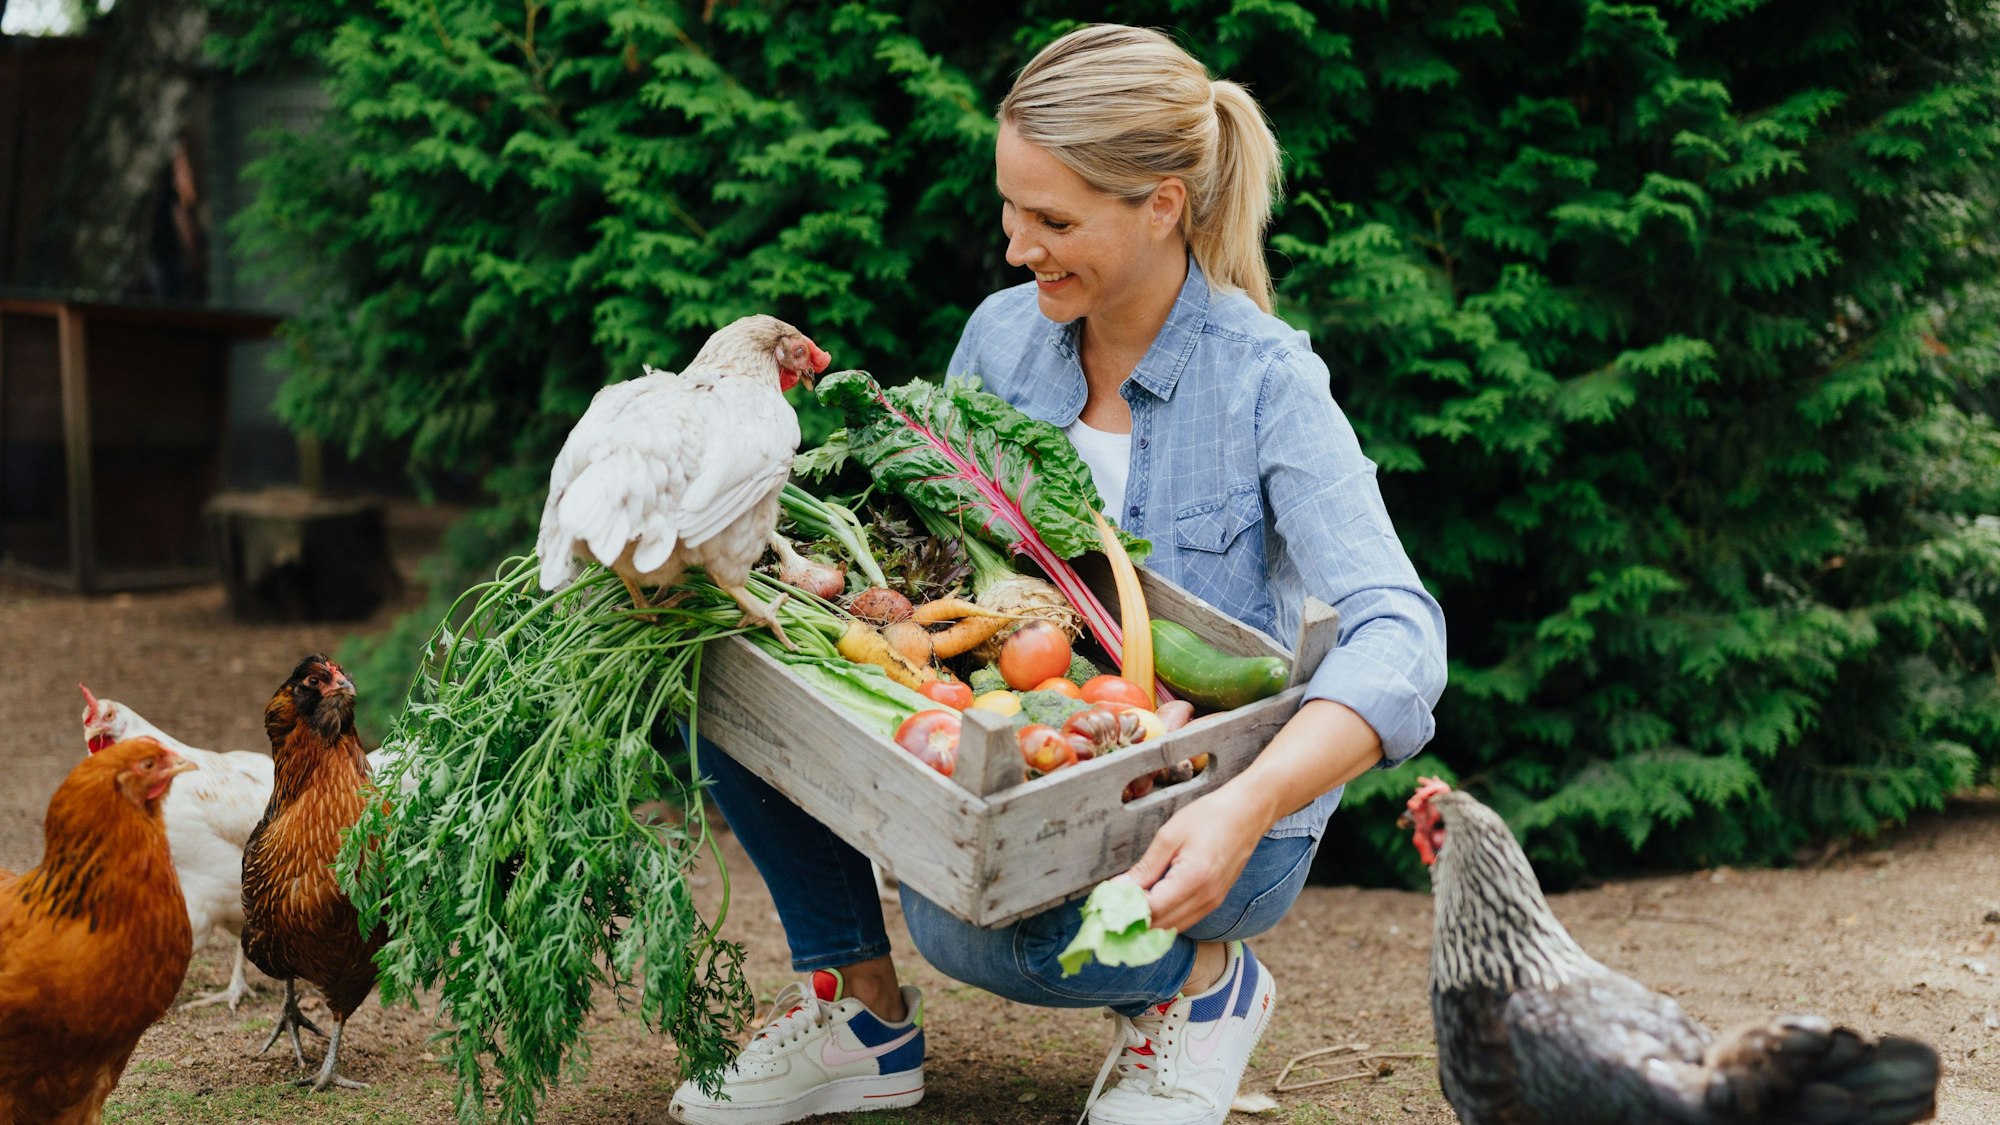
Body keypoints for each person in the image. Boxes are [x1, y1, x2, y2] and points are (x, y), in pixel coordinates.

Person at [669, 23, 1447, 1125]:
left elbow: (1401, 632)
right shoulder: (999, 340)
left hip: (1208, 812)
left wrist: (1243, 810)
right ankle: (860, 1018)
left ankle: (1204, 991)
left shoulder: (1265, 381)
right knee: (729, 663)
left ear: (1161, 205)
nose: (1014, 245)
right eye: (1009, 209)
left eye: (1052, 220)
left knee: (994, 936)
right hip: (1033, 748)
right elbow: (929, 545)